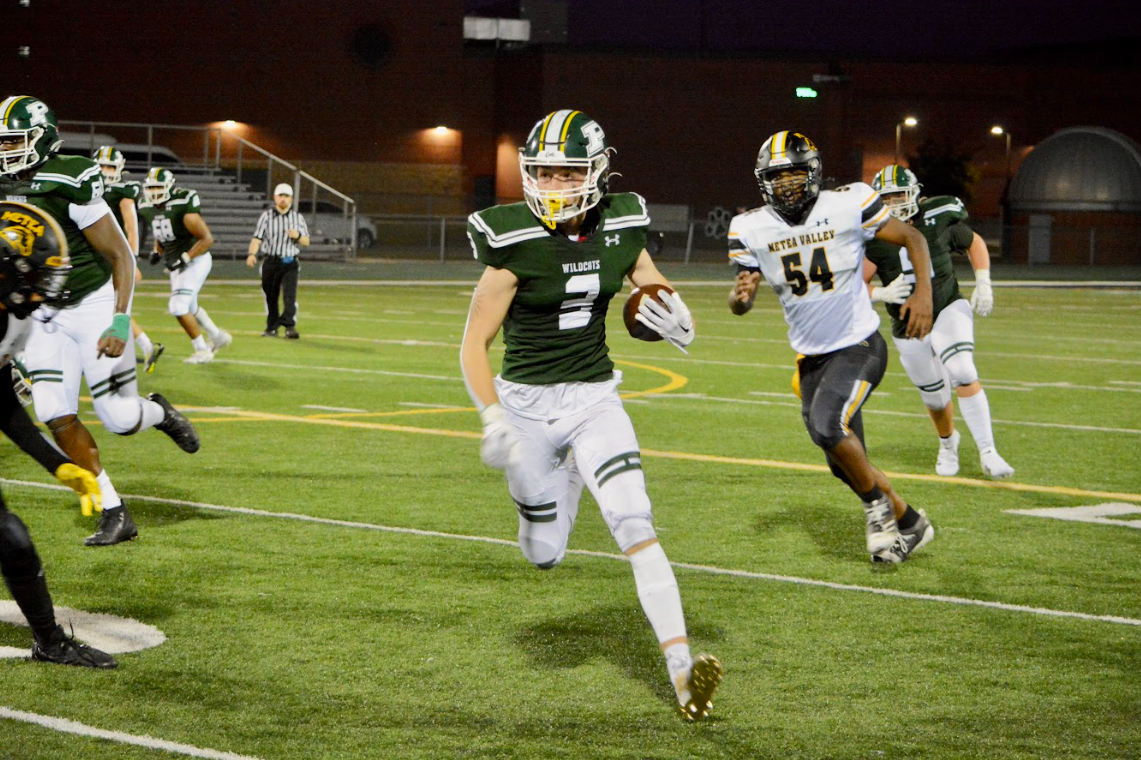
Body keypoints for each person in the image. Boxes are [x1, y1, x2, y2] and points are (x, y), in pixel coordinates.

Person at [460, 109, 723, 721]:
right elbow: (474, 343)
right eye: (543, 174)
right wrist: (491, 418)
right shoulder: (510, 239)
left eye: (566, 173)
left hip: (593, 397)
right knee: (544, 552)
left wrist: (676, 316)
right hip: (525, 408)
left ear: (598, 172)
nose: (553, 186)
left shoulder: (622, 222)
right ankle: (553, 490)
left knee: (635, 520)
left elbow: (650, 283)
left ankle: (683, 674)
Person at [0, 95, 201, 547]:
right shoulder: (1, 181)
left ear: (41, 138)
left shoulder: (69, 177)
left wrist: (119, 321)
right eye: (2, 142)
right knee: (53, 411)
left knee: (120, 418)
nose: (7, 150)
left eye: (15, 140)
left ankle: (159, 411)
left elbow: (121, 256)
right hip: (42, 312)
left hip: (92, 303)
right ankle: (114, 510)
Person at [727, 131, 936, 564]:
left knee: (827, 426)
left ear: (814, 172)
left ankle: (878, 512)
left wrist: (924, 296)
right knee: (841, 463)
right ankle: (911, 522)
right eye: (777, 176)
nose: (786, 184)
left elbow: (913, 239)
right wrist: (740, 298)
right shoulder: (749, 227)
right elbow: (740, 301)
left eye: (795, 173)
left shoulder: (849, 202)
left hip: (858, 344)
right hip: (810, 359)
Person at [0, 200, 118, 667]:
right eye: (34, 277)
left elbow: (1, 401)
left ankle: (49, 642)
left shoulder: (15, 315)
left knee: (11, 538)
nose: (43, 290)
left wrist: (59, 464)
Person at [864, 165, 1014, 479]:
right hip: (907, 322)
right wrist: (881, 292)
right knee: (933, 396)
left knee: (962, 369)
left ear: (915, 193)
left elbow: (974, 243)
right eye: (886, 198)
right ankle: (947, 444)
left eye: (898, 195)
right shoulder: (872, 236)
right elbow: (855, 286)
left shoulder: (937, 216)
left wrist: (983, 281)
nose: (893, 204)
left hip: (947, 304)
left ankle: (989, 452)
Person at [138, 167, 231, 363]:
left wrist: (186, 258)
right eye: (151, 188)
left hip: (196, 259)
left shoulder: (182, 205)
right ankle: (217, 336)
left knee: (178, 306)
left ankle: (202, 350)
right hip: (177, 261)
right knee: (190, 305)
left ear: (169, 187)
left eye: (159, 187)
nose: (154, 192)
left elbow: (207, 239)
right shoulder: (146, 207)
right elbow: (162, 232)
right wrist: (157, 251)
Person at [93, 146, 163, 373]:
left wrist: (131, 261)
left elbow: (131, 227)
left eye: (110, 167)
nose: (105, 171)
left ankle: (143, 347)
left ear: (119, 169)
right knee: (106, 307)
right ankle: (146, 346)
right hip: (96, 254)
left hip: (114, 256)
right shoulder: (87, 186)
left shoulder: (123, 189)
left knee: (111, 308)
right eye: (102, 165)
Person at [246, 182, 308, 339]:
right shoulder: (266, 217)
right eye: (281, 196)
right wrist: (252, 254)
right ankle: (272, 327)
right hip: (271, 261)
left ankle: (289, 327)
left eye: (286, 196)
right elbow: (257, 238)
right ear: (274, 197)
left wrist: (298, 236)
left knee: (289, 296)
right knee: (271, 297)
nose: (283, 199)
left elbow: (306, 241)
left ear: (291, 199)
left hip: (289, 262)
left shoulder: (297, 218)